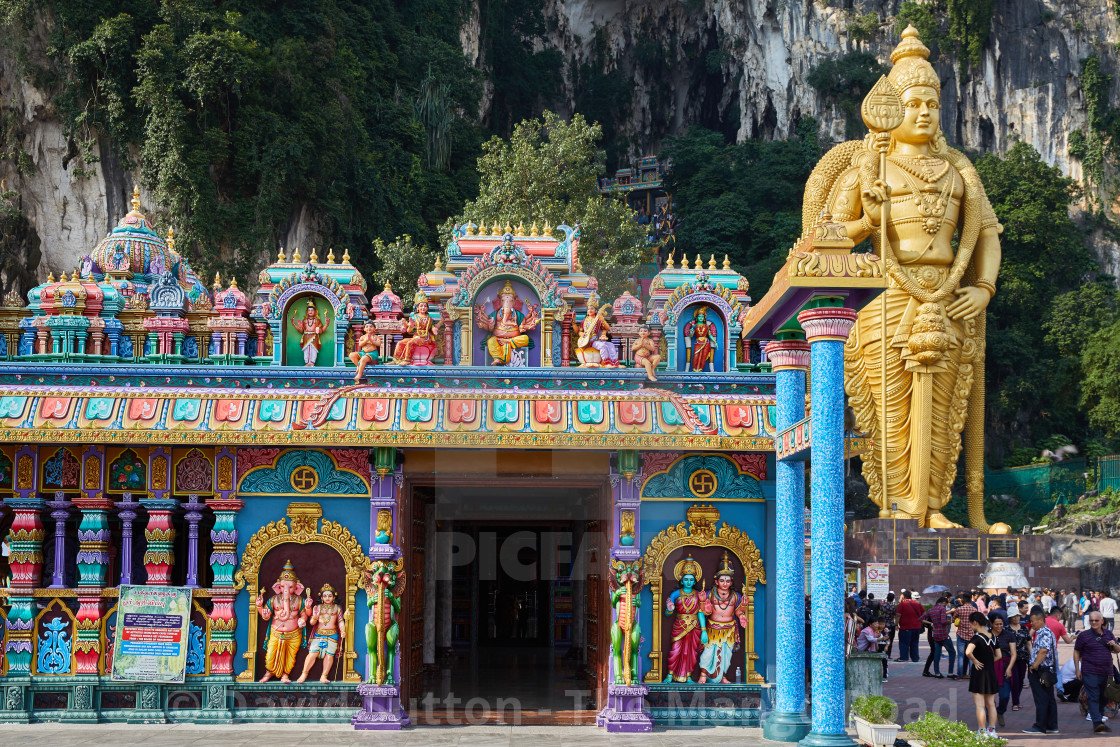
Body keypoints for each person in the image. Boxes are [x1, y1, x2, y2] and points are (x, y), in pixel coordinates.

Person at [1074, 610, 1120, 733]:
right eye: (1091, 621)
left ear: (1102, 621)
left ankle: (1098, 720)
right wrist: (1077, 669)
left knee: (1104, 697)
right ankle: (1097, 722)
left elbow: (1117, 650)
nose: (1093, 623)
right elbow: (1076, 651)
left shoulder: (1109, 634)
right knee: (1093, 696)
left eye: (1096, 620)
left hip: (1107, 672)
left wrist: (1114, 645)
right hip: (1090, 671)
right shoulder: (1084, 635)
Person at [1023, 606, 1059, 735]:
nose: (1031, 624)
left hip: (1041, 670)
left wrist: (1034, 665)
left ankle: (1040, 726)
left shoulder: (1044, 633)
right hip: (1045, 670)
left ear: (1041, 620)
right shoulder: (1044, 632)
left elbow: (1043, 651)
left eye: (1033, 621)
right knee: (1049, 698)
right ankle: (1051, 725)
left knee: (1041, 698)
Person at [966, 611, 1001, 738]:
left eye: (971, 624)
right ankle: (992, 731)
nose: (971, 626)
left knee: (980, 705)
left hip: (979, 673)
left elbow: (968, 652)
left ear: (975, 622)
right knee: (991, 704)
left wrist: (975, 661)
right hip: (991, 673)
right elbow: (999, 656)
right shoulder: (994, 637)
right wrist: (988, 662)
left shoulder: (977, 637)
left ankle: (981, 732)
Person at [992, 615, 1017, 728]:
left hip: (1005, 667)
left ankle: (1000, 712)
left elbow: (1013, 653)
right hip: (990, 667)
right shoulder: (987, 635)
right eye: (996, 624)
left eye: (1001, 624)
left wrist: (1009, 668)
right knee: (989, 695)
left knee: (1005, 696)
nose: (999, 626)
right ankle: (989, 716)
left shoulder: (1009, 635)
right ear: (991, 624)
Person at [921, 595, 955, 678]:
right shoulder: (942, 609)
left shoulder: (931, 610)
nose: (945, 606)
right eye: (945, 604)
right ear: (943, 602)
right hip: (943, 634)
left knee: (937, 653)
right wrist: (950, 622)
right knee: (952, 652)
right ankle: (950, 673)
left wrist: (931, 623)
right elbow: (943, 621)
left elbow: (921, 619)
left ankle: (937, 673)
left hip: (935, 634)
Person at [1007, 608, 1031, 713]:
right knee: (1015, 679)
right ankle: (1015, 702)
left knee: (1021, 679)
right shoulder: (1006, 629)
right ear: (1010, 618)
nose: (1016, 618)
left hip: (1022, 657)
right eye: (1014, 616)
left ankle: (1017, 699)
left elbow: (1029, 643)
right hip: (1011, 658)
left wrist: (1032, 656)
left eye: (1018, 616)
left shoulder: (1024, 629)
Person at [896, 590, 925, 663]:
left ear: (903, 596)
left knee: (904, 643)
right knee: (914, 643)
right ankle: (915, 658)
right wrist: (920, 619)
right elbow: (924, 613)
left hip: (905, 627)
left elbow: (898, 615)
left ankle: (904, 657)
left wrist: (896, 624)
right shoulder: (917, 604)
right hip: (917, 627)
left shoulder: (902, 604)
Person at [857, 617, 889, 681]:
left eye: (877, 624)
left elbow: (876, 636)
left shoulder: (874, 630)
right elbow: (871, 639)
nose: (877, 625)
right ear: (870, 624)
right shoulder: (867, 630)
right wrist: (881, 639)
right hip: (861, 649)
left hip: (867, 650)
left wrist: (880, 635)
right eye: (875, 624)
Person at [954, 594, 978, 679]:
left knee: (961, 656)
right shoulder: (974, 609)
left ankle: (960, 674)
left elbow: (953, 620)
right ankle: (972, 674)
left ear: (964, 599)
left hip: (961, 634)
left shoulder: (959, 609)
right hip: (972, 635)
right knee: (971, 655)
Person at [879, 592, 898, 664]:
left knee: (882, 638)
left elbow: (880, 611)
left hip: (883, 623)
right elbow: (895, 614)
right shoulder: (892, 606)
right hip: (891, 624)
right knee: (890, 640)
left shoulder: (882, 605)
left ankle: (882, 652)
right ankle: (888, 654)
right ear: (892, 599)